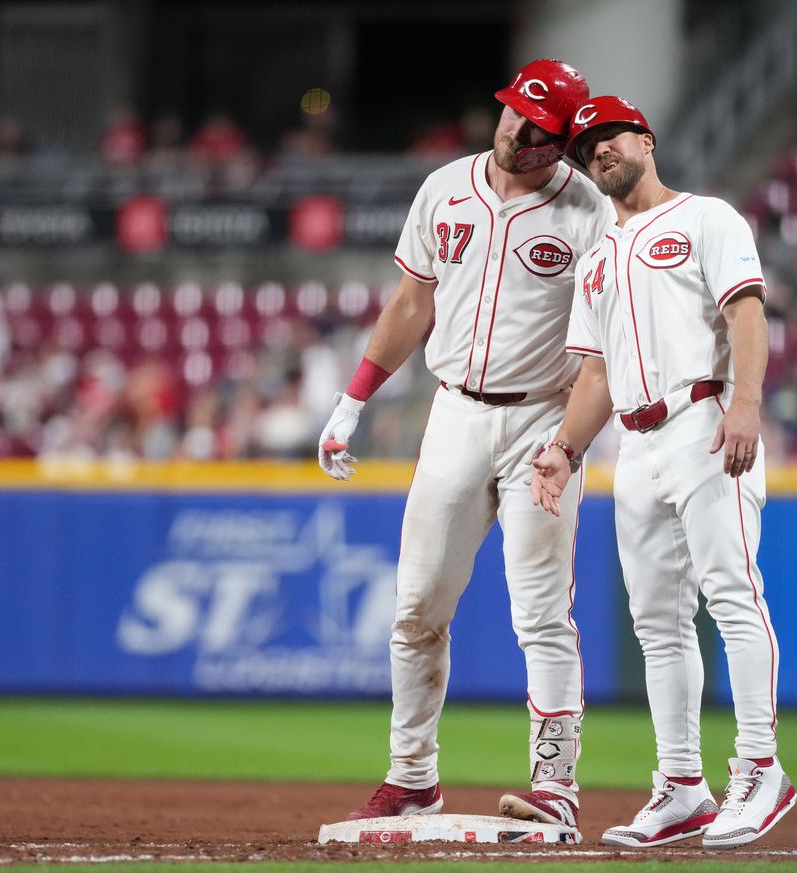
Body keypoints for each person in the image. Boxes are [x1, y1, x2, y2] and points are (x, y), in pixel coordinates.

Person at [317, 59, 613, 834]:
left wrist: (571, 444)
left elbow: (600, 354)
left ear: (564, 141)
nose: (517, 129)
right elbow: (413, 301)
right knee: (416, 605)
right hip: (453, 414)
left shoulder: (587, 212)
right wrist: (352, 400)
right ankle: (412, 776)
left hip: (541, 423)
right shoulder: (446, 186)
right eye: (514, 112)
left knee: (542, 612)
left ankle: (555, 784)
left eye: (538, 125)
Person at [530, 96, 795, 849]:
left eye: (606, 136)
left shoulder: (707, 218)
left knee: (733, 594)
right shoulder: (598, 256)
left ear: (644, 138)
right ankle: (682, 784)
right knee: (656, 623)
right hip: (635, 445)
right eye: (583, 148)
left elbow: (747, 314)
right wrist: (564, 447)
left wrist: (745, 405)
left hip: (705, 421)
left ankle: (760, 767)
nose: (595, 152)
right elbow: (597, 375)